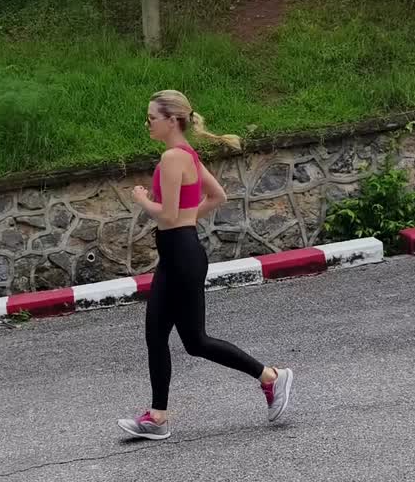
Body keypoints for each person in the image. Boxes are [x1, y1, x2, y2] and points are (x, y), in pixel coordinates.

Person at [118, 90, 294, 441]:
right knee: (178, 339)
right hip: (180, 252)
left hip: (180, 255)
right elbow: (218, 197)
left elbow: (166, 214)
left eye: (152, 117)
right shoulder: (188, 155)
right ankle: (158, 416)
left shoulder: (172, 158)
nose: (147, 123)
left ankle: (270, 377)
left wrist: (141, 201)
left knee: (182, 338)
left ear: (172, 120)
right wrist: (184, 220)